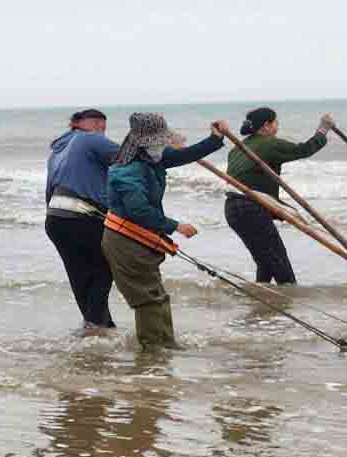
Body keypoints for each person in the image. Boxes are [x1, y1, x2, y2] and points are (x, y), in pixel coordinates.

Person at [99, 112, 224, 349]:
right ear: (144, 144)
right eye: (160, 141)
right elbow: (139, 211)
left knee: (158, 296)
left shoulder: (152, 158)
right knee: (147, 300)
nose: (164, 145)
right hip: (125, 241)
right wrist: (175, 226)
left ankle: (167, 345)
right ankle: (151, 355)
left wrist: (214, 139)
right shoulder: (126, 172)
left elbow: (184, 154)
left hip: (142, 238)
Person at [222, 107, 332, 284]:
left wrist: (285, 210)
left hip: (233, 209)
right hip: (251, 206)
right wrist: (323, 129)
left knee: (265, 262)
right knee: (280, 263)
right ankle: (290, 302)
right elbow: (303, 149)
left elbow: (252, 183)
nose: (277, 127)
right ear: (266, 125)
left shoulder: (236, 149)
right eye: (275, 123)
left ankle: (263, 305)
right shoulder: (268, 143)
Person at [44, 107, 120, 331]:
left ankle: (100, 325)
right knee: (106, 269)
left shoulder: (57, 151)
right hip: (81, 216)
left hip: (55, 218)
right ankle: (96, 325)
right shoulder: (88, 140)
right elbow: (130, 157)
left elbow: (49, 190)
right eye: (99, 126)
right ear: (87, 124)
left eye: (103, 128)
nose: (101, 132)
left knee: (80, 276)